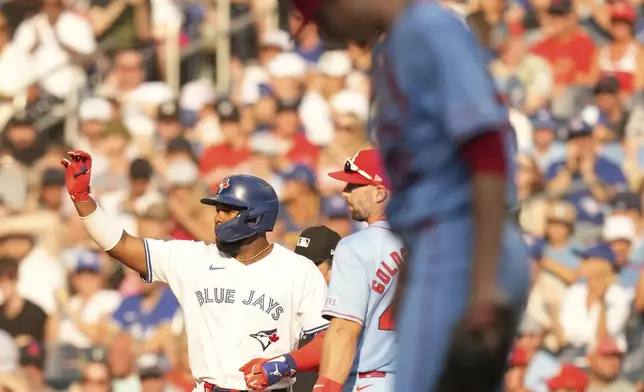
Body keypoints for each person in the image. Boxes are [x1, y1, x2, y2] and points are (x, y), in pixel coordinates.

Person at [288, 1, 531, 391]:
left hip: (462, 243)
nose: (328, 34)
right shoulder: (396, 47)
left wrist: (483, 280)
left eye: (324, 18)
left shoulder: (428, 29)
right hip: (437, 246)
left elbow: (487, 147)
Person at [60, 150, 330, 392]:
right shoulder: (193, 258)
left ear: (256, 216)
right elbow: (122, 246)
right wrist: (83, 200)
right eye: (217, 209)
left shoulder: (298, 270)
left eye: (227, 210)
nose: (217, 217)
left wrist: (283, 364)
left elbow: (328, 340)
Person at [240, 149, 403, 392]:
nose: (344, 192)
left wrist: (325, 387)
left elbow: (342, 330)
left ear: (379, 192)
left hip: (366, 379)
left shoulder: (356, 246)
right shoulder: (423, 244)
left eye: (354, 185)